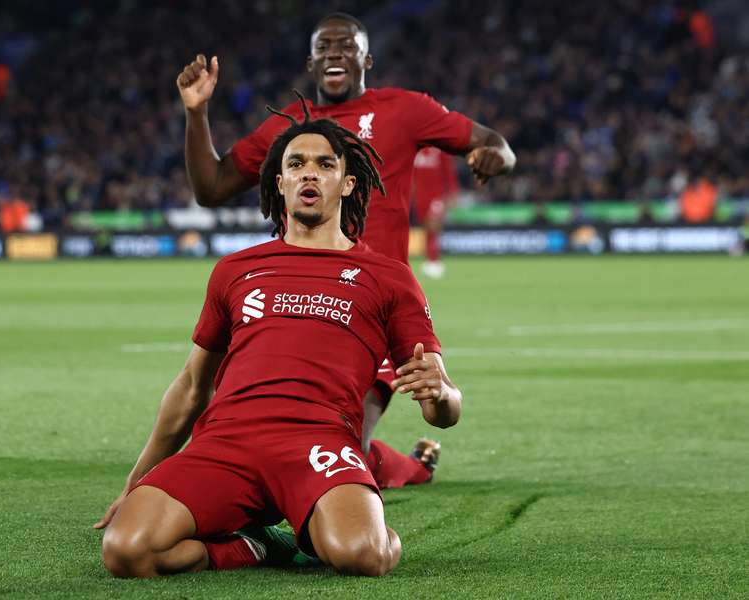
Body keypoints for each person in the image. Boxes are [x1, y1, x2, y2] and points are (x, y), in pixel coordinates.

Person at [95, 99, 462, 578]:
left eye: (325, 164)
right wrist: (136, 482)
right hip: (225, 442)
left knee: (363, 556)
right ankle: (261, 545)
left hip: (318, 442)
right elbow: (191, 387)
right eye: (296, 164)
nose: (310, 174)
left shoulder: (389, 277)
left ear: (348, 183)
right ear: (279, 182)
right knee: (125, 551)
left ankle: (326, 520)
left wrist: (440, 395)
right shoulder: (235, 269)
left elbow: (445, 410)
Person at [176, 12, 512, 488]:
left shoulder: (405, 109)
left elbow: (491, 141)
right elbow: (211, 188)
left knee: (335, 453)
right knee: (268, 435)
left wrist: (496, 155)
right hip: (293, 304)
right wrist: (196, 113)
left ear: (365, 60)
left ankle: (402, 467)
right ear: (310, 64)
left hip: (370, 307)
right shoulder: (288, 129)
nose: (334, 52)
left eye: (346, 45)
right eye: (324, 47)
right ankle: (397, 463)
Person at [411, 146, 459, 279]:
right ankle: (429, 260)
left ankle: (434, 261)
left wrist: (452, 193)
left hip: (436, 196)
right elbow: (411, 175)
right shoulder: (416, 151)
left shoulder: (440, 151)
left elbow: (449, 173)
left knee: (434, 225)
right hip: (420, 198)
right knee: (427, 227)